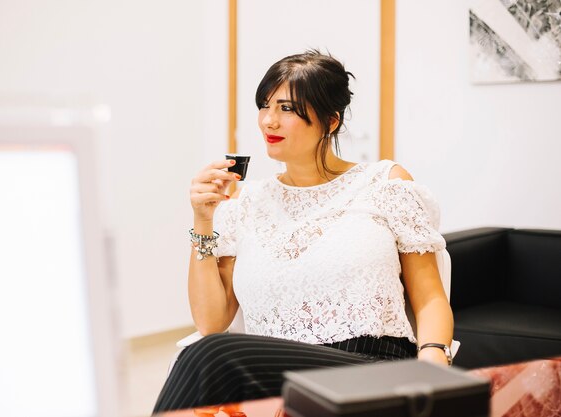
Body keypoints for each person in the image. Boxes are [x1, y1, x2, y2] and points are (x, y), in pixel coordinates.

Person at [153, 50, 453, 412]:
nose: (268, 121)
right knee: (209, 351)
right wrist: (203, 219)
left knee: (213, 355)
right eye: (265, 106)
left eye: (287, 109)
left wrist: (434, 360)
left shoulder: (383, 184)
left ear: (330, 121)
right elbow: (212, 321)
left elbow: (431, 297)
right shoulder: (246, 202)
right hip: (278, 376)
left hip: (370, 368)